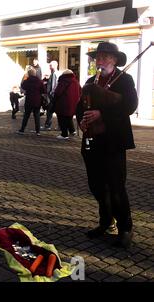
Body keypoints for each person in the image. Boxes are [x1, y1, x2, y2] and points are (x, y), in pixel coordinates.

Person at [76, 42, 138, 249]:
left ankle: (125, 228)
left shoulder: (124, 80)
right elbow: (79, 106)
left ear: (114, 59)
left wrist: (102, 114)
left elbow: (130, 106)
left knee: (116, 186)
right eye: (98, 57)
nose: (100, 61)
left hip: (113, 141)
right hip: (92, 141)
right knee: (96, 185)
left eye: (104, 57)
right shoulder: (90, 80)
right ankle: (106, 221)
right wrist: (81, 121)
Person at [17, 68, 45, 135]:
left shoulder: (27, 81)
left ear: (29, 74)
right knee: (37, 116)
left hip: (29, 100)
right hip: (37, 101)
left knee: (26, 115)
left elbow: (23, 87)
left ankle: (22, 130)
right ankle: (38, 131)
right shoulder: (40, 81)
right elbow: (44, 90)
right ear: (35, 73)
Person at [53, 69, 81, 139]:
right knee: (69, 117)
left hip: (63, 103)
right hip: (73, 103)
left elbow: (58, 92)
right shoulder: (76, 81)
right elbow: (80, 91)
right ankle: (72, 131)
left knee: (61, 118)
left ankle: (64, 134)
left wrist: (54, 99)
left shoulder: (63, 81)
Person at [41, 60, 61, 130]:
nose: (49, 67)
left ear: (55, 66)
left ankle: (48, 125)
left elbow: (54, 85)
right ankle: (59, 126)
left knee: (50, 111)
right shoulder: (55, 73)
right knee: (54, 111)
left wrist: (50, 94)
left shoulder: (55, 74)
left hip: (52, 96)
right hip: (54, 95)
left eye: (50, 65)